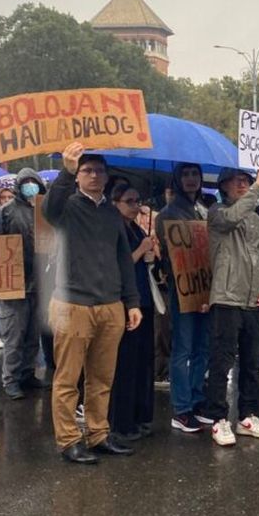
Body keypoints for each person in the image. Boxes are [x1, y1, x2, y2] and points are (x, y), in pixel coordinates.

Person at [43, 145, 142, 464]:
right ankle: (69, 439)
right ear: (78, 176)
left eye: (99, 171)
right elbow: (49, 209)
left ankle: (98, 433)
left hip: (110, 305)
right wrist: (66, 170)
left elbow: (123, 260)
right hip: (73, 304)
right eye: (87, 171)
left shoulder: (112, 213)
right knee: (68, 378)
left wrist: (132, 302)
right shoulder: (67, 206)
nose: (95, 176)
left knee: (102, 378)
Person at [201, 166, 259, 446]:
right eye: (239, 181)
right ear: (224, 186)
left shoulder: (256, 219)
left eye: (247, 180)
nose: (245, 184)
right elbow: (234, 217)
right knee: (221, 361)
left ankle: (248, 415)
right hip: (226, 296)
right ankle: (218, 419)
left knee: (251, 360)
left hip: (254, 299)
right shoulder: (217, 212)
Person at [155, 163, 215, 433]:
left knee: (202, 347)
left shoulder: (205, 210)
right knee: (183, 349)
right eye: (185, 175)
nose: (191, 179)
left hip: (206, 287)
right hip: (183, 290)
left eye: (195, 175)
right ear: (177, 179)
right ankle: (181, 408)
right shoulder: (167, 214)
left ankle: (196, 398)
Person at [108, 179, 158, 443]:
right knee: (124, 364)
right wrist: (141, 250)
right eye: (129, 201)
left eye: (137, 201)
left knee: (142, 362)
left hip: (144, 300)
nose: (135, 206)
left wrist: (150, 251)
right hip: (124, 302)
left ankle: (141, 415)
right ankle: (121, 422)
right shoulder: (113, 230)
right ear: (115, 202)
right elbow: (118, 265)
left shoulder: (137, 229)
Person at [0, 168, 48, 400]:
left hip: (40, 282)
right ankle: (11, 379)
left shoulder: (45, 210)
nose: (30, 186)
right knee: (14, 335)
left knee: (32, 335)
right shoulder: (7, 211)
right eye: (25, 182)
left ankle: (28, 373)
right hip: (14, 284)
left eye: (33, 182)